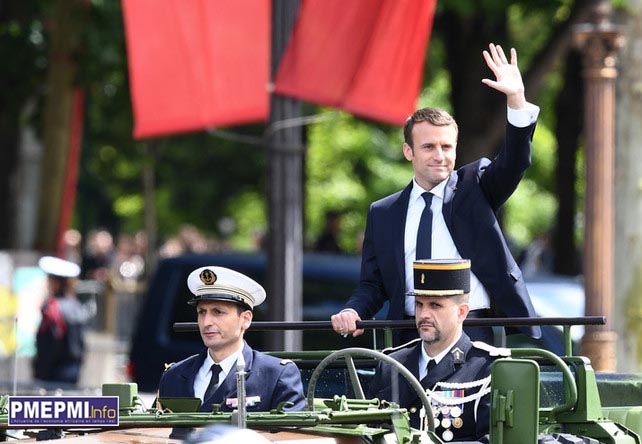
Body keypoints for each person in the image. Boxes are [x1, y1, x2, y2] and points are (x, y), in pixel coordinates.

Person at [331, 43, 541, 345]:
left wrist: (516, 99)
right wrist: (353, 310)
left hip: (471, 334)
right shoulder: (384, 212)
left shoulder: (475, 187)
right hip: (406, 335)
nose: (439, 156)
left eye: (446, 147)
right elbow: (373, 285)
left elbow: (516, 162)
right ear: (408, 151)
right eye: (429, 147)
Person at [369, 259, 509, 443]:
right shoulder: (391, 364)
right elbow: (368, 431)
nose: (424, 314)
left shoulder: (486, 368)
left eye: (435, 305)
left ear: (462, 312)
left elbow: (494, 440)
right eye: (419, 304)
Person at [157, 266, 305, 412]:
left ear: (245, 319)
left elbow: (289, 434)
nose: (206, 322)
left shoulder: (275, 375)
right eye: (202, 312)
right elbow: (151, 432)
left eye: (218, 312)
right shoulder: (174, 375)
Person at [33, 256, 96, 385]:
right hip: (73, 370)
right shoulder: (76, 306)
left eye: (50, 279)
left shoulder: (52, 308)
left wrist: (40, 370)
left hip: (52, 373)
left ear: (56, 282)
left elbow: (49, 344)